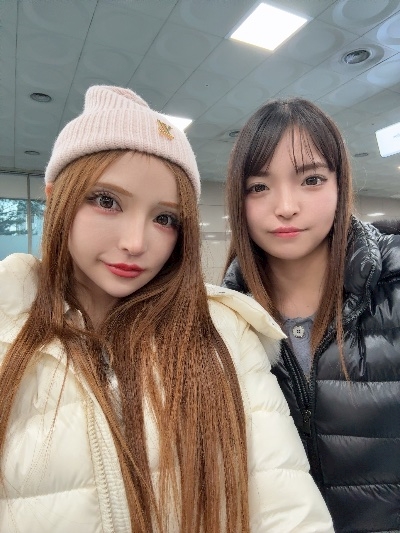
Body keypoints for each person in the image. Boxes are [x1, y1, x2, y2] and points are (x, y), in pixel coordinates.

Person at [0, 86, 333, 532]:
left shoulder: (223, 331)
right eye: (106, 201)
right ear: (55, 195)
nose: (135, 243)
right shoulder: (8, 329)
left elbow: (285, 507)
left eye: (165, 218)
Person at [222, 97, 400, 533]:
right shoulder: (224, 321)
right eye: (258, 187)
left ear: (340, 184)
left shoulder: (392, 288)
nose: (286, 206)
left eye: (312, 180)